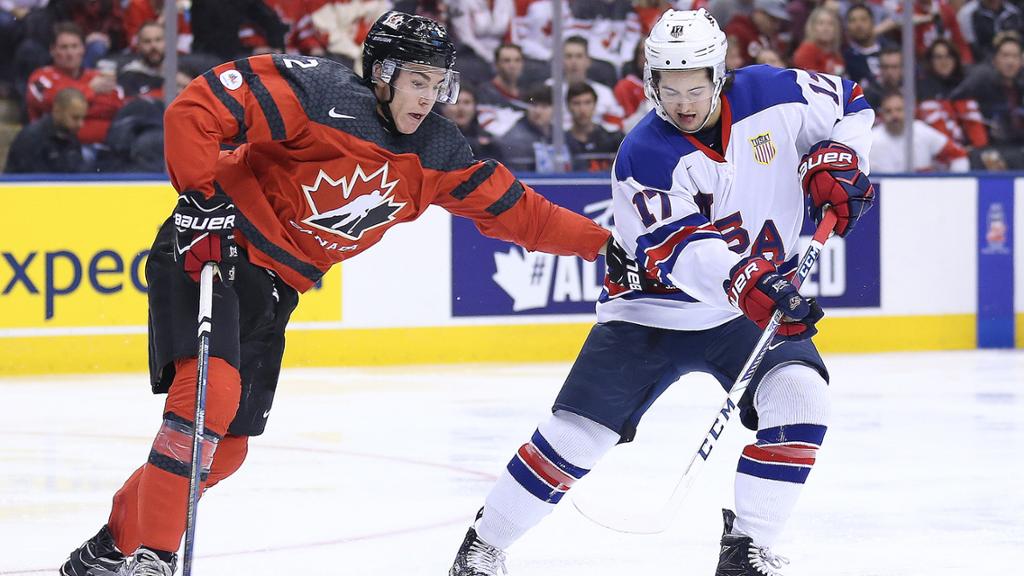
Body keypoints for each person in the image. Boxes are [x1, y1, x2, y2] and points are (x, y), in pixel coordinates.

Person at [59, 10, 614, 576]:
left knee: (226, 449)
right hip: (215, 248)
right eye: (417, 80)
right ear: (382, 72)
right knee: (210, 396)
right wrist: (201, 200)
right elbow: (198, 108)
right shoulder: (318, 91)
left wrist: (603, 245)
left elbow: (517, 212)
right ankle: (153, 556)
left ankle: (108, 550)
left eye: (438, 82)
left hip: (276, 289)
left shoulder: (438, 152)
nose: (429, 96)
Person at [448, 8, 875, 576]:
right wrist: (751, 283)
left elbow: (852, 102)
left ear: (719, 75)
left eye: (695, 86)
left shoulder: (775, 91)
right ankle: (482, 546)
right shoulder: (645, 153)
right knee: (578, 436)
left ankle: (747, 550)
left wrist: (845, 161)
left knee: (801, 398)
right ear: (651, 82)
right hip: (652, 311)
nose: (682, 103)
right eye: (668, 88)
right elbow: (684, 254)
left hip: (745, 308)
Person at [870, 90, 969, 172]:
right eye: (888, 111)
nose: (894, 115)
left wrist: (954, 184)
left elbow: (958, 155)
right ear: (881, 114)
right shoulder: (871, 139)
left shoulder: (922, 131)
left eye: (899, 110)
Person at [4, 86, 88, 173]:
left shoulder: (71, 136)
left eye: (83, 118)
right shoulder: (32, 138)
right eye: (75, 118)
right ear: (57, 111)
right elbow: (34, 180)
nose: (81, 124)